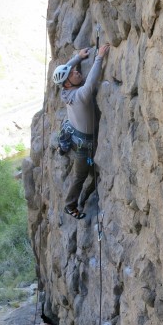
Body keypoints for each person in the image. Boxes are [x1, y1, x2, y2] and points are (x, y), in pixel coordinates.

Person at [53, 43, 110, 219]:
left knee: (83, 172)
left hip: (77, 136)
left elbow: (66, 69)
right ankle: (70, 205)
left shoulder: (65, 90)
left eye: (73, 71)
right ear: (68, 83)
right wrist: (99, 57)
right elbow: (91, 82)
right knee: (80, 176)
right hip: (83, 146)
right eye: (71, 74)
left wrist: (78, 57)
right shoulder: (80, 96)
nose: (75, 71)